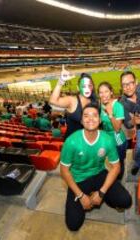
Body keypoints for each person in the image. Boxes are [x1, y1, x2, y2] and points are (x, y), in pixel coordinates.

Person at [60, 103, 132, 231]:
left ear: (99, 120)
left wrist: (102, 192)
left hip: (99, 174)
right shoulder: (71, 141)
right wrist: (81, 196)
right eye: (86, 116)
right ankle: (88, 196)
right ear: (82, 121)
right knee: (73, 225)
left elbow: (116, 167)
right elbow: (64, 171)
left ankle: (101, 198)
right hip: (79, 179)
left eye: (94, 115)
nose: (91, 119)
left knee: (126, 201)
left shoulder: (107, 140)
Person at [49, 65, 97, 139]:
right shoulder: (72, 100)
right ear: (78, 88)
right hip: (73, 144)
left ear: (92, 87)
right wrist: (61, 81)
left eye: (89, 85)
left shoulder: (94, 101)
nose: (87, 89)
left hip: (88, 142)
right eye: (84, 86)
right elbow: (53, 100)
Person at [98, 82, 127, 180]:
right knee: (111, 161)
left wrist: (110, 114)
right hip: (107, 140)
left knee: (119, 163)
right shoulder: (101, 105)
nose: (103, 95)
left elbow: (117, 128)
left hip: (118, 141)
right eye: (101, 92)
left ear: (111, 92)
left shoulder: (118, 106)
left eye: (106, 91)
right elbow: (102, 122)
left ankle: (119, 180)